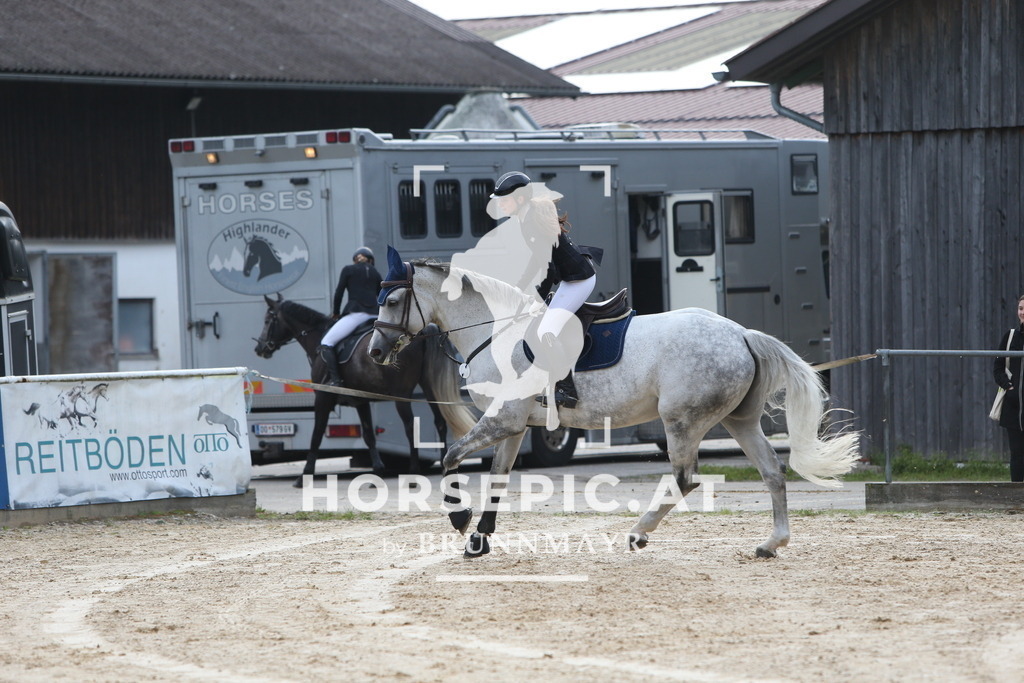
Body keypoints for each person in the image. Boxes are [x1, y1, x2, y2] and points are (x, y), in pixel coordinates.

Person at [318, 247, 382, 386]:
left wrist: (336, 313)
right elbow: (382, 295)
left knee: (327, 342)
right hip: (375, 315)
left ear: (356, 259)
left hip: (356, 314)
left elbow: (339, 293)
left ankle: (336, 380)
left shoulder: (348, 270)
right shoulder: (375, 272)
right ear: (370, 260)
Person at [994, 294, 1024, 481]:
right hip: (1014, 407)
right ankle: (1017, 497)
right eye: (1021, 308)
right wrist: (1009, 387)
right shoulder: (1010, 336)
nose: (1023, 312)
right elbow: (998, 368)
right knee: (1017, 455)